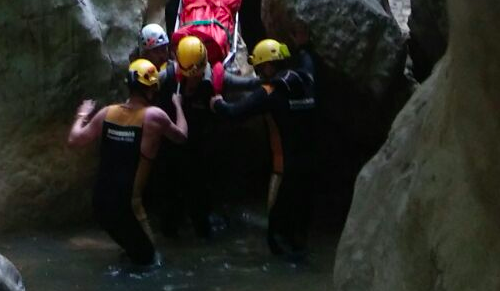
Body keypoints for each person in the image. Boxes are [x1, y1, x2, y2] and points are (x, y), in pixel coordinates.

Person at [68, 59, 188, 265]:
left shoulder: (107, 113)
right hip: (128, 207)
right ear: (151, 90)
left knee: (133, 252)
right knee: (150, 261)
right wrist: (178, 106)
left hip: (100, 203)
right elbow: (181, 137)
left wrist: (82, 115)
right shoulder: (154, 116)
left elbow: (74, 139)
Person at [210, 38, 317, 261]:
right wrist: (303, 45)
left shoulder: (269, 93)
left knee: (276, 234)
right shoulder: (307, 78)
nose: (259, 74)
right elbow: (307, 58)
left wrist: (217, 102)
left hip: (284, 170)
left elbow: (234, 113)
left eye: (259, 69)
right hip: (311, 168)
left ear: (268, 66)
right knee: (300, 228)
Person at [168, 36, 224, 238]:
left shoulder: (212, 82)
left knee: (199, 196)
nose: (193, 79)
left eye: (196, 75)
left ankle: (203, 228)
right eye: (189, 76)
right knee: (173, 196)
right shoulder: (170, 79)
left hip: (200, 149)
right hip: (175, 149)